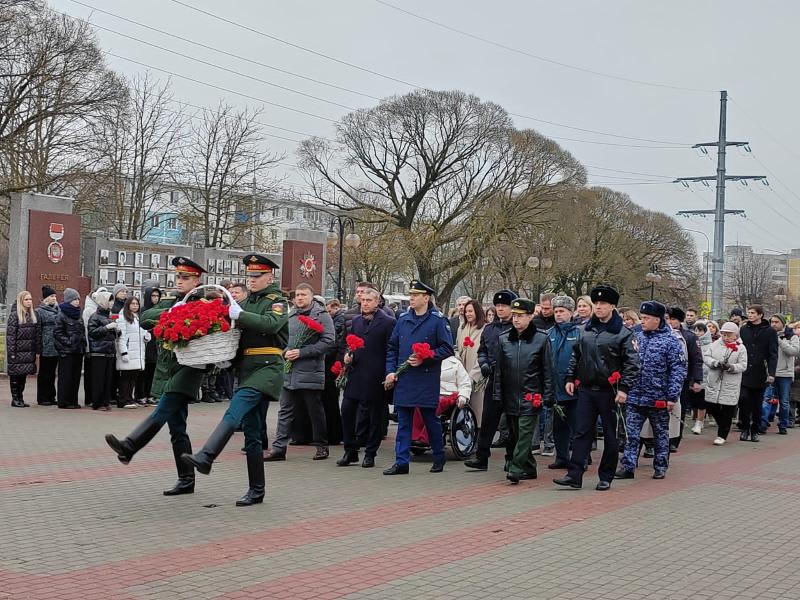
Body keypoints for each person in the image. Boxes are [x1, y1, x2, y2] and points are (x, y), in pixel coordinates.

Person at [183, 255, 288, 506]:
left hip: (267, 368)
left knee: (235, 409)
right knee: (252, 433)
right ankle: (256, 490)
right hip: (246, 368)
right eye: (249, 276)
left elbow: (272, 325)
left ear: (269, 278)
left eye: (257, 276)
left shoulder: (278, 301)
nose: (251, 281)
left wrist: (239, 315)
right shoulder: (246, 302)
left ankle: (207, 455)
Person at [105, 257, 209, 496]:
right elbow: (148, 316)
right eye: (178, 277)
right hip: (171, 367)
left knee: (163, 409)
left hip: (191, 368)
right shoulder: (173, 300)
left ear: (197, 280)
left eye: (185, 278)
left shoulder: (206, 298)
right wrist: (173, 312)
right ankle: (186, 480)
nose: (180, 281)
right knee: (177, 428)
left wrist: (183, 313)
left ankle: (130, 446)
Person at [553, 285, 639, 491]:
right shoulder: (585, 330)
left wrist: (624, 388)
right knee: (581, 432)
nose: (598, 307)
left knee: (610, 434)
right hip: (586, 389)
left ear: (612, 306)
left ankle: (606, 475)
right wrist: (570, 378)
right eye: (596, 304)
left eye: (603, 304)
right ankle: (574, 474)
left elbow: (632, 364)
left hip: (610, 391)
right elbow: (576, 355)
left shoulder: (623, 333)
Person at [383, 280, 454, 475]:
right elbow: (392, 348)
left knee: (431, 420)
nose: (411, 298)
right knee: (404, 421)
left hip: (426, 377)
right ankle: (401, 461)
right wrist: (390, 371)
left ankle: (438, 456)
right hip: (405, 377)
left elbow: (447, 348)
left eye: (415, 295)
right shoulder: (404, 319)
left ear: (426, 297)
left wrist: (427, 357)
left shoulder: (437, 320)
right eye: (411, 295)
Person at [615, 301, 686, 481]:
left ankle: (660, 466)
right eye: (642, 317)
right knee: (631, 435)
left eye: (646, 318)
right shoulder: (636, 336)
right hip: (634, 396)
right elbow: (626, 363)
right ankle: (628, 466)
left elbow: (678, 370)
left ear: (657, 319)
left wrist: (672, 396)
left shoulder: (671, 340)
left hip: (658, 397)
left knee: (660, 435)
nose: (642, 321)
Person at [265, 282, 335, 461]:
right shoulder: (291, 315)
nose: (300, 298)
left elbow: (328, 341)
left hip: (310, 371)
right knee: (285, 410)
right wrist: (284, 352)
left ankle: (321, 445)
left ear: (312, 297)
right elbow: (282, 339)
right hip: (289, 371)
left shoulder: (321, 316)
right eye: (297, 295)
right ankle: (279, 448)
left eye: (303, 295)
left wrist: (303, 352)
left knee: (314, 411)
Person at [493, 298, 552, 484]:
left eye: (520, 316)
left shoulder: (541, 339)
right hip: (510, 395)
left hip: (531, 394)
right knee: (517, 433)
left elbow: (548, 370)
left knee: (525, 433)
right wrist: (497, 394)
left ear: (530, 316)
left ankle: (516, 467)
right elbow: (499, 371)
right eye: (514, 316)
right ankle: (530, 467)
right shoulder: (504, 339)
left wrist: (548, 395)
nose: (516, 319)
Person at [337, 287, 396, 467]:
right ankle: (350, 450)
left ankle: (370, 452)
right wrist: (348, 355)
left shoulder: (388, 322)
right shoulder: (355, 321)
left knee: (374, 416)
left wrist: (388, 373)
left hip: (375, 375)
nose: (365, 304)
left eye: (368, 301)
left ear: (377, 302)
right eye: (362, 301)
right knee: (347, 411)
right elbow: (350, 342)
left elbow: (391, 349)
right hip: (356, 373)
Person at [464, 289, 518, 471]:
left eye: (504, 306)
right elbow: (483, 350)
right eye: (498, 306)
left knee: (511, 424)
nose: (501, 309)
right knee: (488, 421)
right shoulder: (490, 328)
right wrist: (484, 363)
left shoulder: (516, 328)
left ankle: (511, 458)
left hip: (512, 381)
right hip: (493, 379)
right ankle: (481, 456)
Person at [546, 296, 581, 470]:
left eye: (562, 311)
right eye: (556, 311)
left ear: (571, 312)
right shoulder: (549, 333)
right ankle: (561, 456)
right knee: (559, 425)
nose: (558, 315)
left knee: (577, 425)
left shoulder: (579, 332)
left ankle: (580, 457)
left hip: (574, 387)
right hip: (556, 387)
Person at [410, 355, 472, 447]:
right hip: (431, 393)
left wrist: (463, 395)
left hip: (449, 394)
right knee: (418, 404)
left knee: (435, 403)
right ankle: (415, 436)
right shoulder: (428, 361)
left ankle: (426, 438)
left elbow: (465, 383)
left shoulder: (456, 363)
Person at [702, 321, 748, 445]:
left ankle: (722, 435)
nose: (726, 337)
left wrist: (731, 367)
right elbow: (706, 357)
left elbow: (743, 365)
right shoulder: (715, 344)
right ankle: (722, 424)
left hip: (730, 382)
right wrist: (715, 363)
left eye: (729, 335)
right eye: (724, 334)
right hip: (714, 380)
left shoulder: (741, 347)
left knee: (728, 409)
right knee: (711, 405)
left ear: (735, 335)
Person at [738, 305, 778, 442]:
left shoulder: (770, 331)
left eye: (753, 313)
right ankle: (744, 429)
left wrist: (771, 373)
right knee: (743, 400)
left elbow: (773, 354)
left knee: (757, 404)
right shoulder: (743, 329)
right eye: (749, 312)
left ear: (760, 315)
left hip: (761, 371)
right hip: (744, 371)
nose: (750, 315)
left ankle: (755, 430)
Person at [666, 307, 703, 452]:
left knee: (678, 409)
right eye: (668, 319)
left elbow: (696, 360)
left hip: (682, 379)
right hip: (663, 379)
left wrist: (696, 379)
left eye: (673, 319)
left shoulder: (689, 337)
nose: (670, 322)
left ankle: (674, 439)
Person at [760, 314, 799, 435]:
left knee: (784, 401)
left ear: (783, 323)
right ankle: (762, 424)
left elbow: (793, 351)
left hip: (785, 373)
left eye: (776, 322)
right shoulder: (768, 334)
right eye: (772, 322)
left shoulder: (791, 336)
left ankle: (783, 424)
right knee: (766, 399)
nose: (773, 324)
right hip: (770, 372)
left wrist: (780, 341)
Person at [115, 296, 151, 409]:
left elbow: (142, 334)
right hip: (128, 352)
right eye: (133, 303)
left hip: (138, 353)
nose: (135, 306)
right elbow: (121, 337)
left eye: (137, 304)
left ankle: (130, 398)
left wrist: (146, 336)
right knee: (126, 377)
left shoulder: (139, 318)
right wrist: (123, 352)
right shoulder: (122, 318)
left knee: (133, 378)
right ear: (128, 305)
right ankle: (123, 399)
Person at [7, 290, 41, 408]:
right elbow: (11, 337)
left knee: (23, 377)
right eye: (26, 299)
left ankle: (20, 397)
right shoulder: (15, 315)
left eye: (30, 299)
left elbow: (36, 335)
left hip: (28, 352)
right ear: (21, 301)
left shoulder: (33, 315)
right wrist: (11, 353)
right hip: (17, 352)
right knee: (15, 376)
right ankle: (15, 398)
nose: (29, 302)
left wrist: (36, 351)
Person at [53, 288, 85, 409]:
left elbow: (82, 331)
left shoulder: (78, 314)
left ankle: (73, 400)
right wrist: (69, 342)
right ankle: (63, 401)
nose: (77, 301)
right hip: (66, 351)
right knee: (65, 377)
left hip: (78, 351)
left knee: (75, 377)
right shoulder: (61, 315)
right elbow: (57, 333)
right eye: (74, 299)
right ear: (68, 301)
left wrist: (83, 344)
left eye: (78, 299)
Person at [86, 290, 118, 411]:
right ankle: (97, 402)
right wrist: (106, 328)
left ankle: (105, 401)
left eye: (112, 300)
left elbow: (110, 335)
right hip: (98, 352)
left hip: (109, 351)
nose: (111, 303)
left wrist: (116, 331)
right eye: (109, 300)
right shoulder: (95, 316)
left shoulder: (108, 316)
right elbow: (92, 332)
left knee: (107, 378)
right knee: (98, 379)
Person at [457, 299, 486, 426]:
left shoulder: (485, 328)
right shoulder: (462, 328)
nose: (468, 314)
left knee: (477, 406)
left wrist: (472, 376)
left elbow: (485, 353)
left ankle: (477, 431)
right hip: (462, 371)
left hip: (477, 374)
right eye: (466, 311)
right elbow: (458, 348)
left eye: (471, 311)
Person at [324, 298, 346, 446]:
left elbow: (336, 342)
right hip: (332, 361)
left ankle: (334, 434)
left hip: (333, 363)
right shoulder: (335, 320)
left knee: (331, 400)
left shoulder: (338, 321)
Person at [82, 287, 107, 407]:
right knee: (90, 374)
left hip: (103, 347)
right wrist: (87, 348)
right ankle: (90, 398)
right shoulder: (89, 310)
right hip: (92, 347)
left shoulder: (106, 311)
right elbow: (87, 330)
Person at [35, 286, 60, 406]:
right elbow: (38, 331)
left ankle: (51, 396)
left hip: (56, 346)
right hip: (46, 347)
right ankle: (42, 397)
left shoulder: (58, 310)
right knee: (44, 373)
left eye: (55, 296)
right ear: (45, 298)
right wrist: (39, 346)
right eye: (51, 296)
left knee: (52, 373)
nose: (54, 298)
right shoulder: (39, 311)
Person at [140, 284, 162, 405]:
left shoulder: (159, 310)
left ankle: (150, 394)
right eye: (153, 295)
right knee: (144, 372)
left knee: (153, 371)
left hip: (156, 344)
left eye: (157, 296)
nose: (155, 298)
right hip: (146, 344)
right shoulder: (143, 310)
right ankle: (142, 394)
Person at [690, 321, 713, 434]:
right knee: (691, 401)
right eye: (696, 330)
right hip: (691, 376)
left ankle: (699, 422)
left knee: (701, 401)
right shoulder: (691, 342)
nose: (698, 333)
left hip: (704, 376)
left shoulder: (710, 345)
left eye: (700, 330)